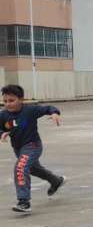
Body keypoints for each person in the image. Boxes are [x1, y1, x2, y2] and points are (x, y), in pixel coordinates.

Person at [0, 84, 65, 214]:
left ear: (21, 100)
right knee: (33, 169)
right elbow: (1, 128)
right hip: (18, 148)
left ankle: (24, 202)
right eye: (5, 101)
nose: (8, 104)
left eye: (12, 101)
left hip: (33, 145)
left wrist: (54, 113)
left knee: (20, 167)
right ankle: (56, 180)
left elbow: (48, 108)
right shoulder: (3, 115)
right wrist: (2, 133)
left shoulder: (30, 110)